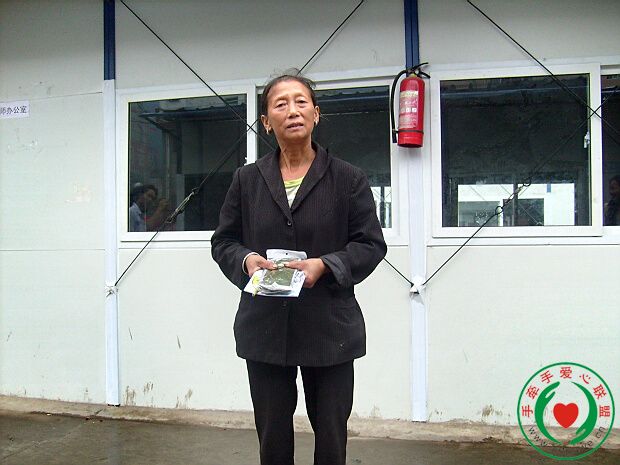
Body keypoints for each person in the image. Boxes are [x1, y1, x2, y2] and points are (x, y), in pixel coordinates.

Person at [211, 70, 387, 465]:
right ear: (265, 121)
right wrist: (247, 261)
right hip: (265, 326)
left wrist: (326, 264)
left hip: (329, 327)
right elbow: (223, 241)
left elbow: (371, 244)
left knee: (331, 435)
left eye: (301, 102)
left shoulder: (348, 178)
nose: (292, 111)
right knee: (272, 436)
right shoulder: (247, 179)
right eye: (281, 104)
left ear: (316, 114)